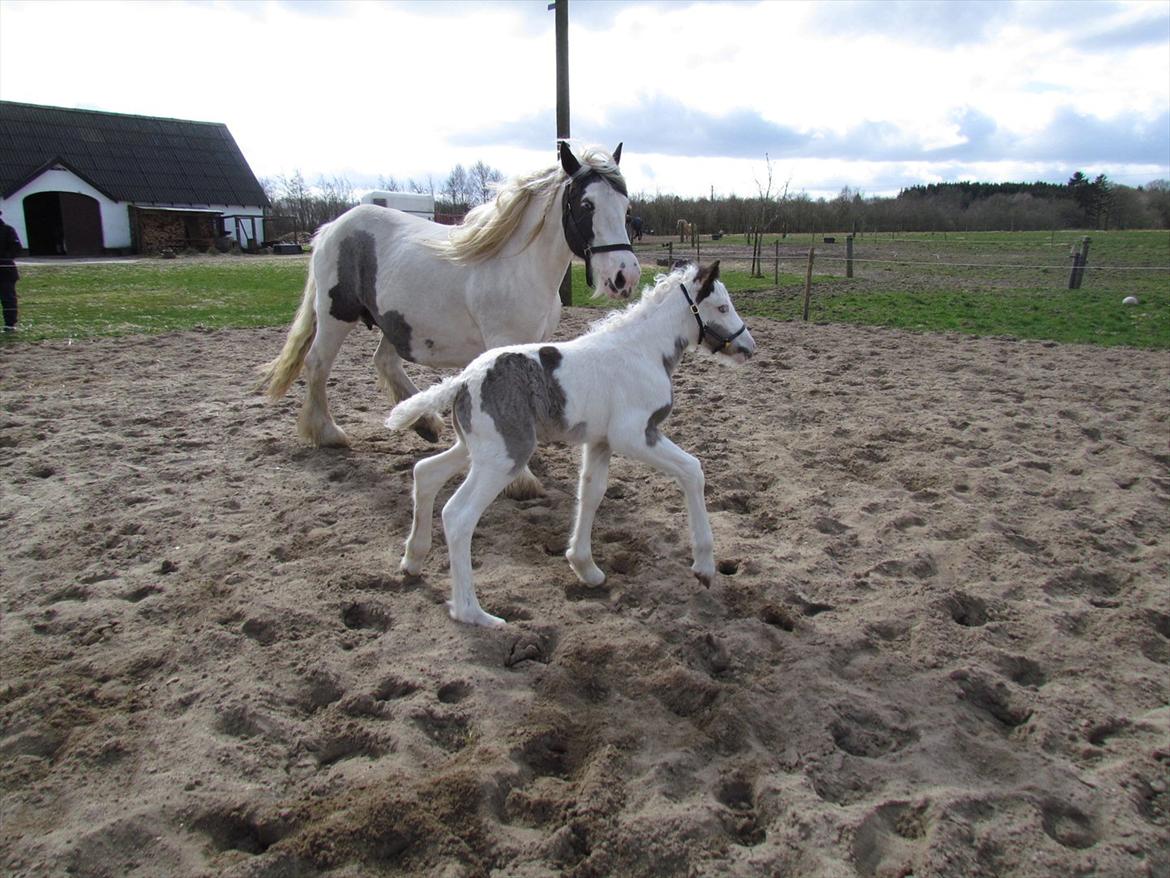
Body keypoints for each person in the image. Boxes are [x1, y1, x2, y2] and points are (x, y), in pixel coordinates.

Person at [0, 210, 21, 331]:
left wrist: (4, 259)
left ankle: (10, 324)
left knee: (8, 298)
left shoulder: (7, 230)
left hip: (5, 272)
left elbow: (16, 248)